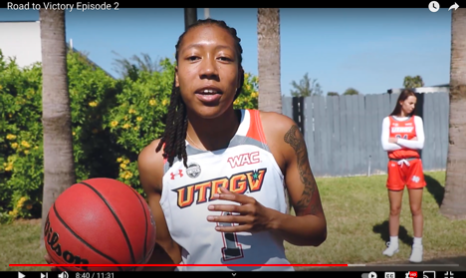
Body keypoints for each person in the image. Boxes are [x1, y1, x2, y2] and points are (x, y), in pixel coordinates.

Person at [44, 18, 327, 271]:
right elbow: (168, 256)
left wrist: (270, 220)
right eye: (193, 57)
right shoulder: (156, 161)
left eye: (224, 58)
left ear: (239, 75)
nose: (208, 69)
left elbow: (316, 230)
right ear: (177, 76)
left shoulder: (277, 133)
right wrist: (87, 260)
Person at [380, 89, 426, 263]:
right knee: (394, 208)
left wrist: (397, 140)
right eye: (410, 103)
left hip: (414, 166)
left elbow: (420, 143)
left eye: (415, 103)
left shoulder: (417, 120)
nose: (413, 106)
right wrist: (408, 143)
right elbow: (385, 145)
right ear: (401, 102)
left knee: (416, 209)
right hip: (395, 166)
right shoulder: (388, 120)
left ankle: (417, 247)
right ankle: (393, 244)